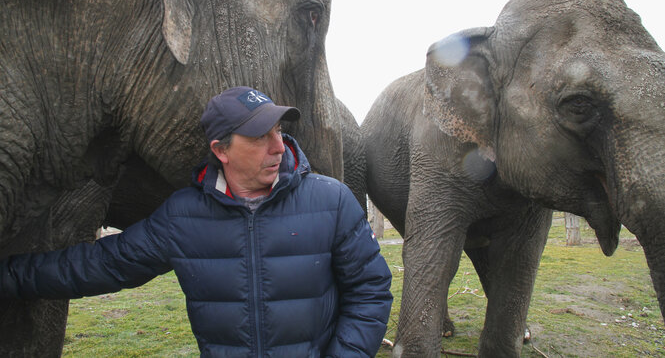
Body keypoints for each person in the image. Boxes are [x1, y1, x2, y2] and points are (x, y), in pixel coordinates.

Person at [0, 86, 393, 357]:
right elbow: (98, 266)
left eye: (278, 130)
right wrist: (10, 276)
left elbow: (371, 290)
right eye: (259, 136)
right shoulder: (183, 216)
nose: (278, 145)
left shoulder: (331, 200)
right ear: (221, 150)